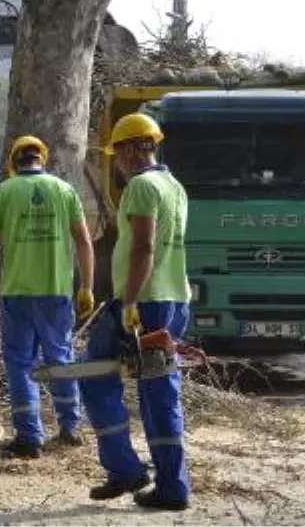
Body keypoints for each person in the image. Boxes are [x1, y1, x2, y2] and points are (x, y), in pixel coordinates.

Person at [79, 112, 191, 512]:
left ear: (130, 148)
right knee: (158, 391)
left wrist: (128, 303)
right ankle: (169, 483)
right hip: (173, 298)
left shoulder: (142, 187)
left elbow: (144, 247)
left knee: (96, 375)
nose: (118, 162)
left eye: (119, 153)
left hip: (145, 302)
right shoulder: (173, 185)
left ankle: (130, 470)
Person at [0, 135, 96, 458]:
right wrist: (86, 286)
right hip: (56, 293)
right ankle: (70, 428)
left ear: (14, 162)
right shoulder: (64, 191)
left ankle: (30, 437)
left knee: (20, 365)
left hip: (18, 293)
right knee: (62, 360)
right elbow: (84, 241)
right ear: (42, 159)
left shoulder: (5, 192)